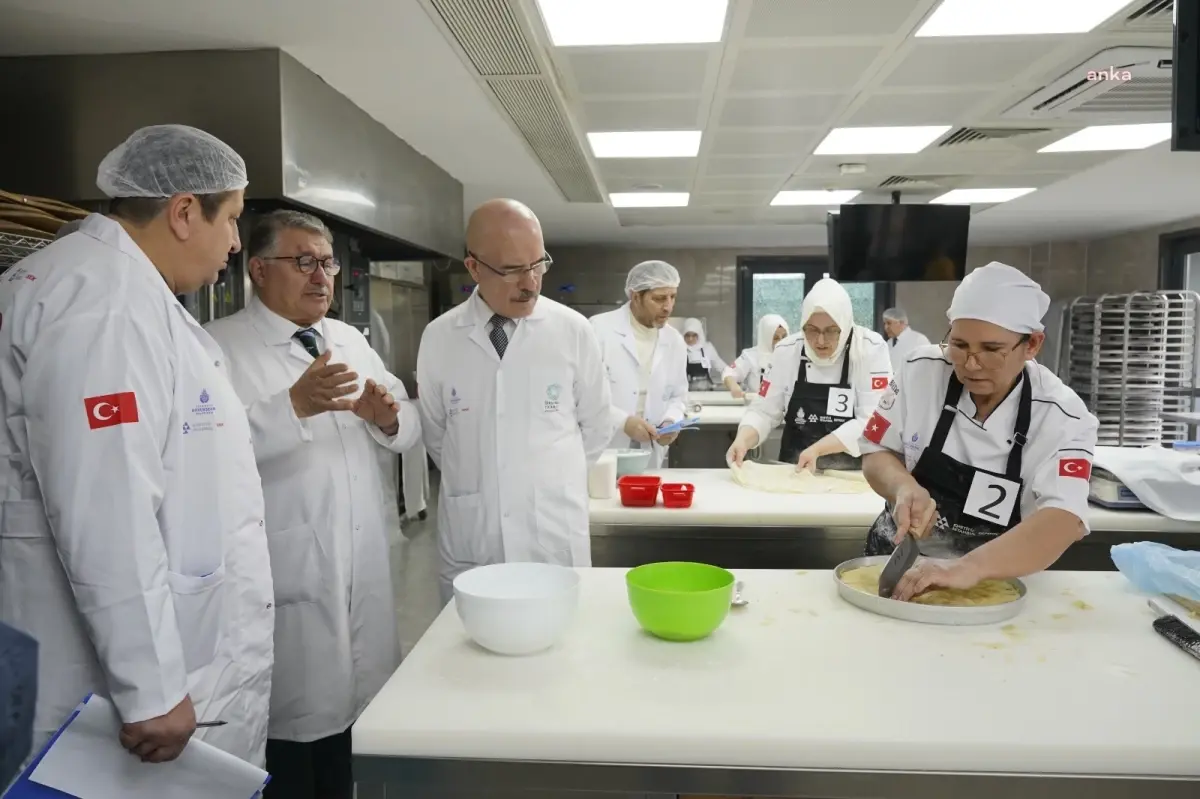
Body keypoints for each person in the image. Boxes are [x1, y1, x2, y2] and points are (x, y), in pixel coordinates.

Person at [0, 125, 273, 766]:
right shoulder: (106, 304)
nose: (235, 241)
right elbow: (105, 502)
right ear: (183, 212)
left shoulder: (106, 289)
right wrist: (150, 688)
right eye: (231, 218)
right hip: (96, 675)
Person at [204, 210, 421, 797]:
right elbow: (202, 456)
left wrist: (388, 418)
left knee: (355, 740)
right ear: (257, 270)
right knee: (293, 749)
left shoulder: (350, 340)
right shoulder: (219, 348)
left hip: (362, 567)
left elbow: (407, 422)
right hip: (284, 574)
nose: (321, 275)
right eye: (303, 261)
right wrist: (291, 408)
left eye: (327, 262)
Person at [416, 199, 619, 603]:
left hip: (552, 530)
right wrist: (485, 474)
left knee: (561, 652)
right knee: (473, 653)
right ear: (473, 267)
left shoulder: (572, 330)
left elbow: (596, 427)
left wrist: (548, 480)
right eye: (511, 270)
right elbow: (437, 435)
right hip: (474, 538)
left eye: (538, 264)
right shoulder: (440, 337)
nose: (530, 282)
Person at [859, 262, 1099, 601]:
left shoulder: (1063, 416)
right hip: (893, 563)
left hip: (989, 584)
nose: (970, 364)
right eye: (959, 345)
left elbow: (1063, 520)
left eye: (991, 350)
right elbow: (876, 452)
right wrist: (903, 487)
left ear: (1032, 344)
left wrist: (967, 568)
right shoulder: (920, 371)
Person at [728, 278, 891, 472]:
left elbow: (873, 420)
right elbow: (764, 411)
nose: (820, 341)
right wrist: (743, 439)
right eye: (812, 330)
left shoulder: (869, 349)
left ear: (845, 325)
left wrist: (818, 449)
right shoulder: (787, 351)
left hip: (854, 473)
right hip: (795, 467)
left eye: (831, 331)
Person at [591, 261, 689, 468]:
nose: (668, 307)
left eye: (673, 297)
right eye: (659, 298)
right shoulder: (598, 330)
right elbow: (583, 395)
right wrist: (623, 421)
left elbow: (678, 395)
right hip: (604, 443)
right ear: (635, 296)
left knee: (646, 497)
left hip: (652, 447)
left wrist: (671, 420)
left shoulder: (674, 341)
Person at [722, 313, 789, 399]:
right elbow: (729, 373)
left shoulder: (793, 354)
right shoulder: (750, 356)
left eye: (784, 337)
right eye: (775, 338)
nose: (781, 342)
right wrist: (733, 386)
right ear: (766, 338)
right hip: (756, 407)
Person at [681, 318, 727, 391]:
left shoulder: (707, 348)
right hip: (686, 392)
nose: (690, 339)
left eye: (694, 335)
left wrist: (733, 377)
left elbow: (720, 366)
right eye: (687, 335)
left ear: (699, 334)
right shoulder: (679, 349)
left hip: (706, 390)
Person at [882, 307, 931, 373]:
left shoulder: (919, 340)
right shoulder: (888, 343)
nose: (886, 327)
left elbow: (927, 366)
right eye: (884, 324)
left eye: (889, 323)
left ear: (901, 323)